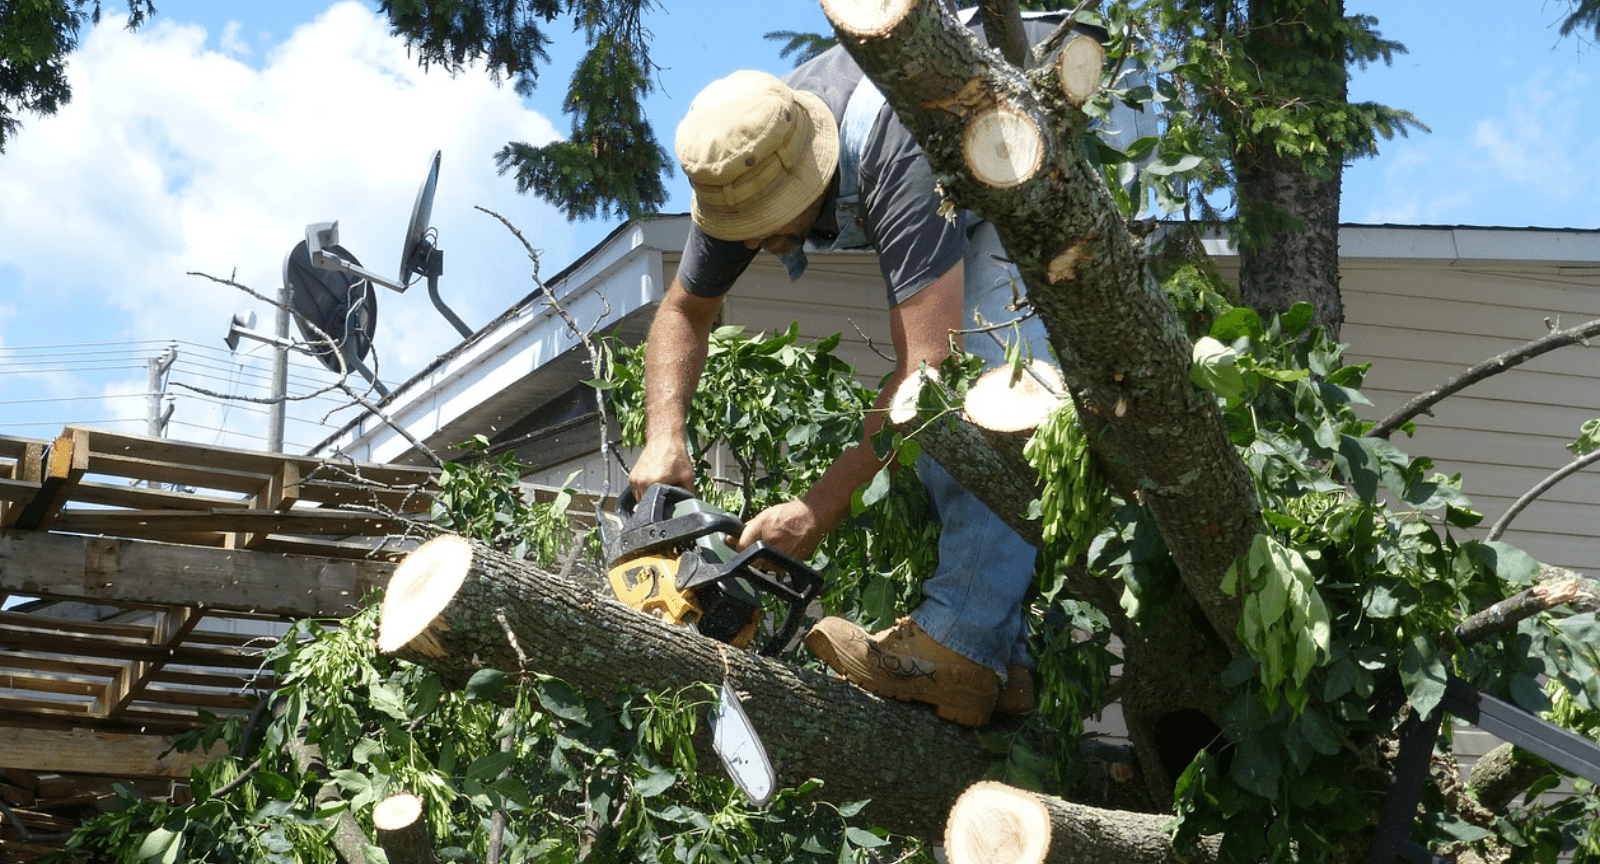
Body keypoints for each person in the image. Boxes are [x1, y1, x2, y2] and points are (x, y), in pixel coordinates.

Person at [628, 20, 1101, 727]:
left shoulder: (894, 146)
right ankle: (1006, 665)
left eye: (771, 222)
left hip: (1044, 122)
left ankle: (963, 645)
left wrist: (816, 508)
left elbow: (927, 370)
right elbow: (683, 311)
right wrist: (663, 436)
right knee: (953, 399)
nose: (758, 240)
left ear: (812, 167)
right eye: (747, 226)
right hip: (965, 173)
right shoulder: (740, 155)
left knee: (986, 383)